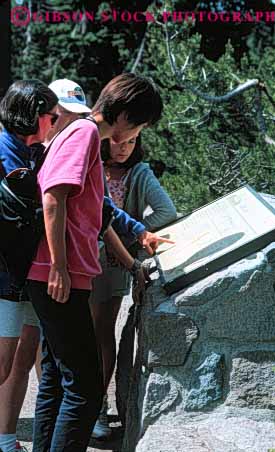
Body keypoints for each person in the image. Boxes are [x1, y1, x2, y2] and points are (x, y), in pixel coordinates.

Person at [26, 73, 163, 452]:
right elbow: (54, 198)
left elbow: (96, 212)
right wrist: (59, 266)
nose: (136, 132)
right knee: (85, 390)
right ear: (122, 114)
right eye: (137, 123)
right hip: (58, 276)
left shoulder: (80, 134)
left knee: (57, 379)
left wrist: (135, 248)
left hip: (56, 273)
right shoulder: (85, 134)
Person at [90, 133, 177, 438]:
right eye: (118, 141)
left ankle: (96, 409)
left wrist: (129, 239)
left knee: (100, 333)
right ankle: (78, 407)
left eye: (131, 142)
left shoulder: (139, 173)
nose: (124, 148)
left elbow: (167, 211)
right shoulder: (90, 163)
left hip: (111, 265)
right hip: (79, 257)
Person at [0, 80, 58, 452]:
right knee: (3, 362)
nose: (54, 124)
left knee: (13, 361)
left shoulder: (28, 151)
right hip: (5, 276)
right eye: (51, 116)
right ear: (33, 116)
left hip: (18, 275)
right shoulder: (8, 155)